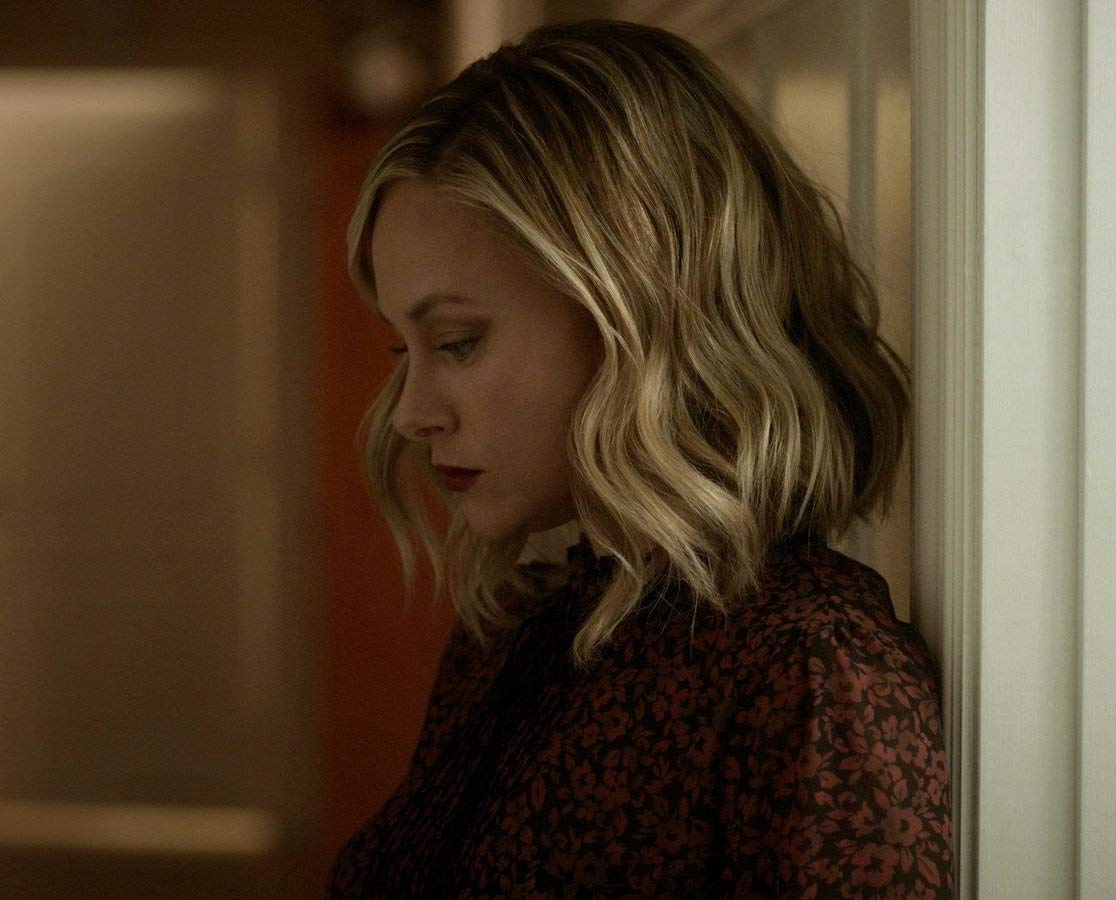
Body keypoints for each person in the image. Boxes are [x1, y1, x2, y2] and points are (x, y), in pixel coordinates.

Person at [327, 18, 953, 898]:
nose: (411, 414)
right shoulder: (515, 631)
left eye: (458, 342)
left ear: (643, 314)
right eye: (405, 349)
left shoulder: (812, 672)